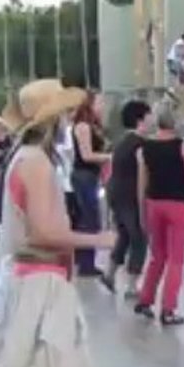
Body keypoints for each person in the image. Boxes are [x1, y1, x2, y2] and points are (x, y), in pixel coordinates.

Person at [0, 79, 116, 367]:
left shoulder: (26, 159)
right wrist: (98, 240)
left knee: (53, 366)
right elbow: (44, 232)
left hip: (39, 275)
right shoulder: (36, 164)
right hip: (41, 277)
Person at [134, 108, 184, 325]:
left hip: (154, 202)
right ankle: (168, 308)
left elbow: (142, 181)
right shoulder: (181, 146)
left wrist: (142, 208)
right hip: (179, 204)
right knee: (176, 259)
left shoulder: (145, 148)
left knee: (157, 255)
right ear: (175, 124)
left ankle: (145, 299)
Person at [103, 100, 152, 297]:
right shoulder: (141, 145)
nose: (152, 119)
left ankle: (110, 273)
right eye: (149, 115)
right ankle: (132, 285)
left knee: (124, 235)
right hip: (131, 195)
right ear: (141, 119)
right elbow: (142, 173)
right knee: (139, 237)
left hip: (116, 193)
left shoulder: (121, 142)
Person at [70, 92, 111, 277]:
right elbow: (87, 155)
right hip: (84, 175)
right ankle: (85, 262)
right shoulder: (83, 127)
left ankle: (84, 259)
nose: (102, 106)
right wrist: (110, 157)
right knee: (89, 218)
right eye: (99, 102)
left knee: (87, 217)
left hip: (90, 175)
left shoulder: (92, 127)